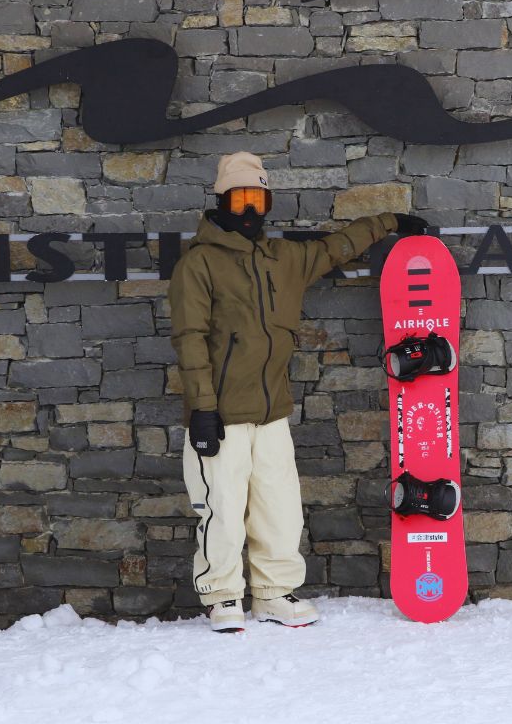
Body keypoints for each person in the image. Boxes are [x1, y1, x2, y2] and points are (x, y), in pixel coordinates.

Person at [169, 151, 429, 632]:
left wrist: (390, 222)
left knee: (280, 509)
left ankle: (274, 593)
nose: (251, 210)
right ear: (222, 202)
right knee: (221, 511)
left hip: (272, 413)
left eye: (259, 200)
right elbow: (190, 339)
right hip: (221, 415)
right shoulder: (199, 264)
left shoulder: (284, 258)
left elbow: (337, 247)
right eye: (241, 200)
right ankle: (222, 597)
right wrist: (203, 408)